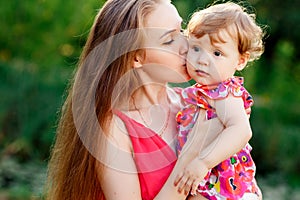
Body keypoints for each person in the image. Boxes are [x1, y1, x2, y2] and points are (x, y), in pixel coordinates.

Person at [45, 0, 207, 199]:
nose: (186, 46)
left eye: (181, 30)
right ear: (135, 57)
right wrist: (190, 160)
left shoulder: (193, 104)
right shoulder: (111, 130)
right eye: (169, 40)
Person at [173, 2, 265, 200]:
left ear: (240, 60)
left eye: (217, 53)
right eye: (196, 48)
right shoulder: (200, 93)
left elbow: (241, 130)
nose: (202, 60)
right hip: (205, 181)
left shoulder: (225, 93)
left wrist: (203, 163)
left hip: (224, 184)